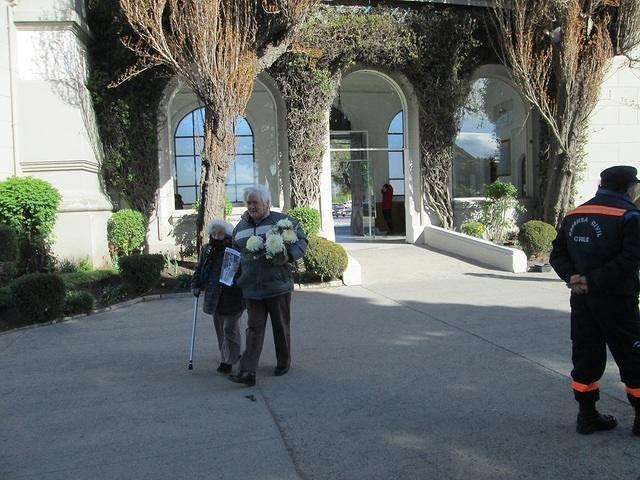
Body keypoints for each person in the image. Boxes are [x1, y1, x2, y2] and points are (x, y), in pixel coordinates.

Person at [549, 165, 640, 436]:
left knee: (585, 355)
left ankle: (587, 416)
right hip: (618, 302)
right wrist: (593, 281)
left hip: (582, 301)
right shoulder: (630, 216)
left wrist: (573, 277)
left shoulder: (574, 213)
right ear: (630, 188)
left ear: (602, 186)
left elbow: (557, 254)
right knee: (632, 357)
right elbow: (631, 259)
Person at [228, 184, 308, 387]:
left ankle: (284, 362)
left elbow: (302, 240)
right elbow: (234, 254)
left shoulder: (282, 222)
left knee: (280, 326)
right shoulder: (239, 229)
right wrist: (234, 273)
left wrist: (289, 256)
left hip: (277, 286)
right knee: (254, 329)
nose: (251, 207)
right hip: (251, 288)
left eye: (255, 202)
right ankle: (247, 371)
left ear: (266, 203)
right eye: (248, 203)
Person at [191, 219, 245, 374]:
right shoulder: (207, 250)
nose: (216, 236)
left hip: (233, 295)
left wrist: (239, 272)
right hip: (214, 296)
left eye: (220, 233)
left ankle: (228, 361)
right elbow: (200, 268)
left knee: (230, 328)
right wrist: (196, 284)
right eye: (213, 233)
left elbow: (243, 272)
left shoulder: (234, 249)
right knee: (221, 330)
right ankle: (229, 354)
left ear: (227, 234)